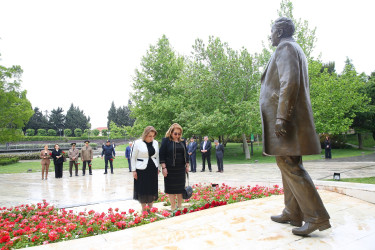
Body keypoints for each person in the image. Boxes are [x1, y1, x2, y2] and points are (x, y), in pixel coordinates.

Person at [260, 17, 330, 236]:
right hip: (287, 120)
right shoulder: (291, 48)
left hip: (286, 121)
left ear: (279, 32)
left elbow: (289, 82)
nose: (269, 36)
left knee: (290, 164)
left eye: (271, 32)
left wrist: (281, 117)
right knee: (286, 162)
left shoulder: (287, 47)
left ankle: (316, 216)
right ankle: (292, 211)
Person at [159, 123, 189, 210]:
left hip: (180, 169)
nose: (177, 135)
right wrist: (164, 168)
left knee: (180, 188)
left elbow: (186, 154)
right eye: (175, 133)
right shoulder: (166, 141)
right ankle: (172, 207)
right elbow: (162, 155)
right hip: (170, 169)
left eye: (179, 134)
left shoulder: (182, 141)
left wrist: (187, 165)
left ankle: (179, 206)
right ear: (171, 132)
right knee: (171, 188)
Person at [131, 126, 160, 212]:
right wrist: (133, 170)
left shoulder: (155, 143)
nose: (152, 138)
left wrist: (158, 167)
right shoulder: (137, 143)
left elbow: (157, 156)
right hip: (141, 169)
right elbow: (132, 157)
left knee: (151, 189)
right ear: (145, 135)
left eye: (153, 136)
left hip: (153, 169)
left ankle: (150, 209)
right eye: (150, 136)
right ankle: (144, 209)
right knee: (142, 189)